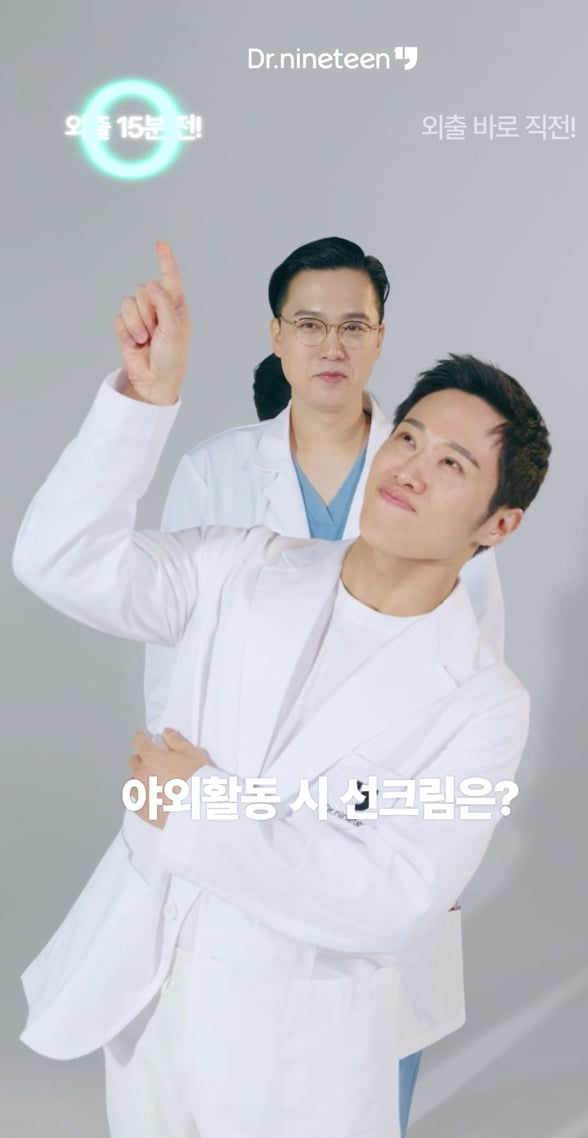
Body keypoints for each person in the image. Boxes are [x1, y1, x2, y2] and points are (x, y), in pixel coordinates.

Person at [12, 244, 550, 1138]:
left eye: (453, 464)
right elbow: (59, 560)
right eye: (410, 438)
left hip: (297, 1031)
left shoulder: (487, 703)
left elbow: (392, 892)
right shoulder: (241, 563)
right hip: (150, 983)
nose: (410, 467)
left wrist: (199, 805)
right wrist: (143, 403)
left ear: (500, 524)